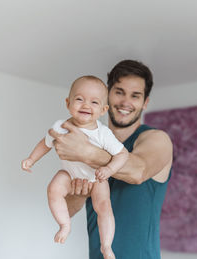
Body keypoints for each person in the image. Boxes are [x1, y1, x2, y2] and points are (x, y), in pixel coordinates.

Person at [49, 60, 173, 259]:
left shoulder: (157, 139)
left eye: (135, 95)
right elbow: (69, 211)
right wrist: (80, 194)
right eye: (119, 92)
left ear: (145, 103)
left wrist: (86, 152)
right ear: (107, 95)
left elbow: (138, 171)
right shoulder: (90, 141)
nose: (125, 102)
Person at [21, 76, 129, 259]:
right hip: (70, 174)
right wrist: (31, 159)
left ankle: (106, 246)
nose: (86, 105)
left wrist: (109, 170)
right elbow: (46, 144)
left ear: (103, 110)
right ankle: (64, 225)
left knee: (104, 207)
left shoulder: (103, 133)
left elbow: (122, 154)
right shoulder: (60, 126)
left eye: (94, 102)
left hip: (96, 178)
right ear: (68, 103)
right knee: (53, 189)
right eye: (79, 99)